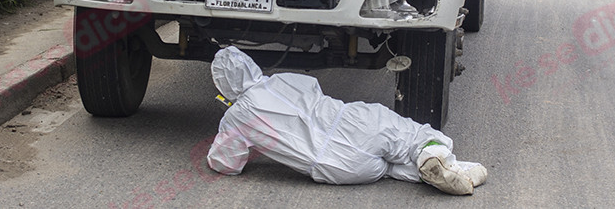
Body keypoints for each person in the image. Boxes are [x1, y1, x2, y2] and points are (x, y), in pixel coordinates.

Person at [206, 46, 487, 195]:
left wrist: (230, 124)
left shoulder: (236, 119)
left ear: (223, 85)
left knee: (387, 170)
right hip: (350, 123)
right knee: (409, 136)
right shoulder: (282, 80)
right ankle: (440, 157)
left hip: (334, 166)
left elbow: (226, 164)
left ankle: (440, 174)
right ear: (249, 65)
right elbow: (314, 91)